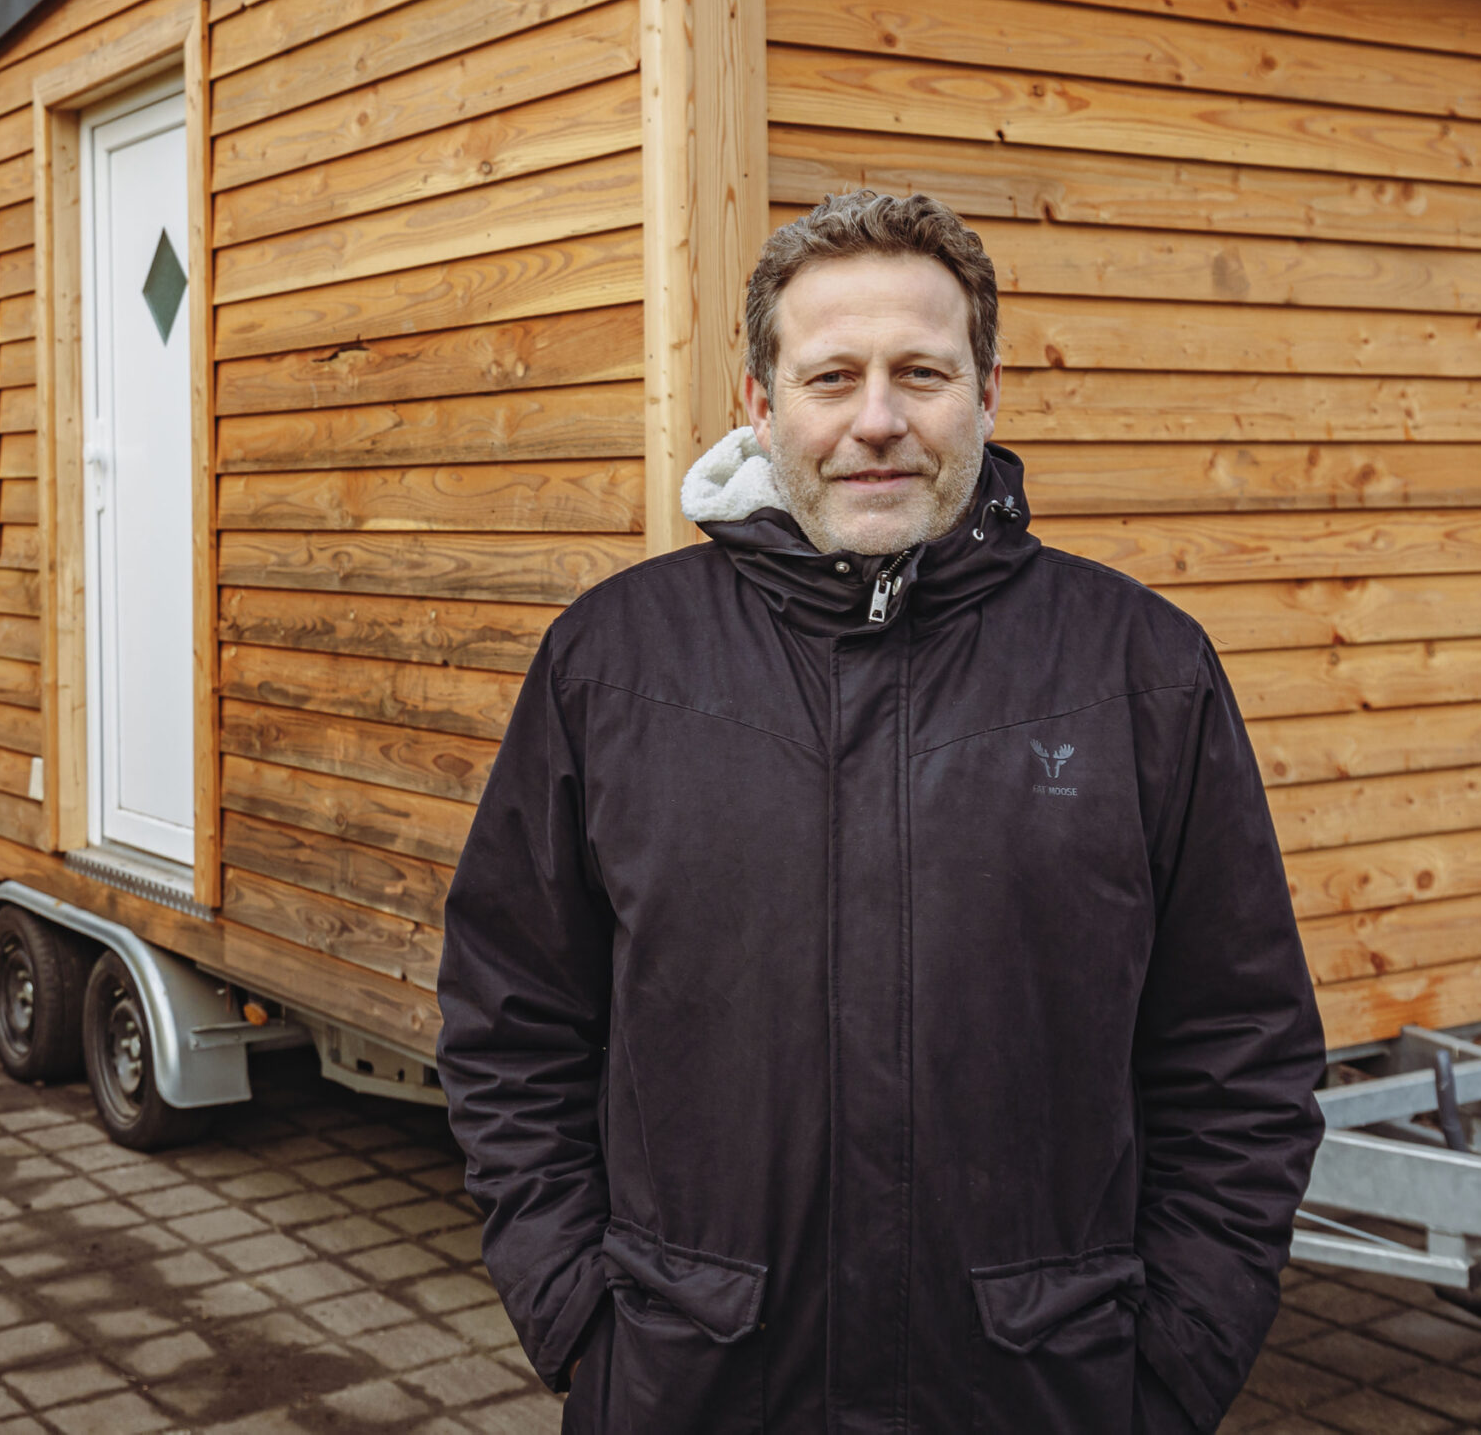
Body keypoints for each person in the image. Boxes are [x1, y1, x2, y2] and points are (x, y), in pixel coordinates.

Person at [434, 190, 1328, 1433]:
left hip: (1040, 1389)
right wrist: (577, 1314)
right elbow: (512, 1017)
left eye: (921, 372)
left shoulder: (1141, 671)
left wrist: (1174, 1360)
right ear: (759, 403)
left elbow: (1240, 1051)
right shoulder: (614, 665)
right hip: (691, 1383)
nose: (876, 422)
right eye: (830, 376)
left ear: (987, 394)